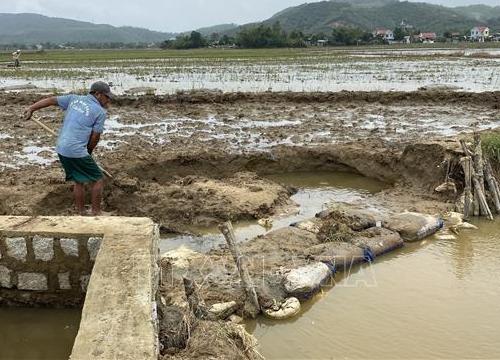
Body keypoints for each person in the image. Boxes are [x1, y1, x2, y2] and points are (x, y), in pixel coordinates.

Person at [24, 81, 114, 215]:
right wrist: (88, 151)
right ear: (98, 94)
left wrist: (32, 108)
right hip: (76, 150)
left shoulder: (74, 99)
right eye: (107, 97)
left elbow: (51, 100)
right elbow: (95, 137)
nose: (108, 100)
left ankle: (81, 211)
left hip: (62, 148)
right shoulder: (100, 112)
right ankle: (96, 212)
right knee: (98, 180)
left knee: (79, 180)